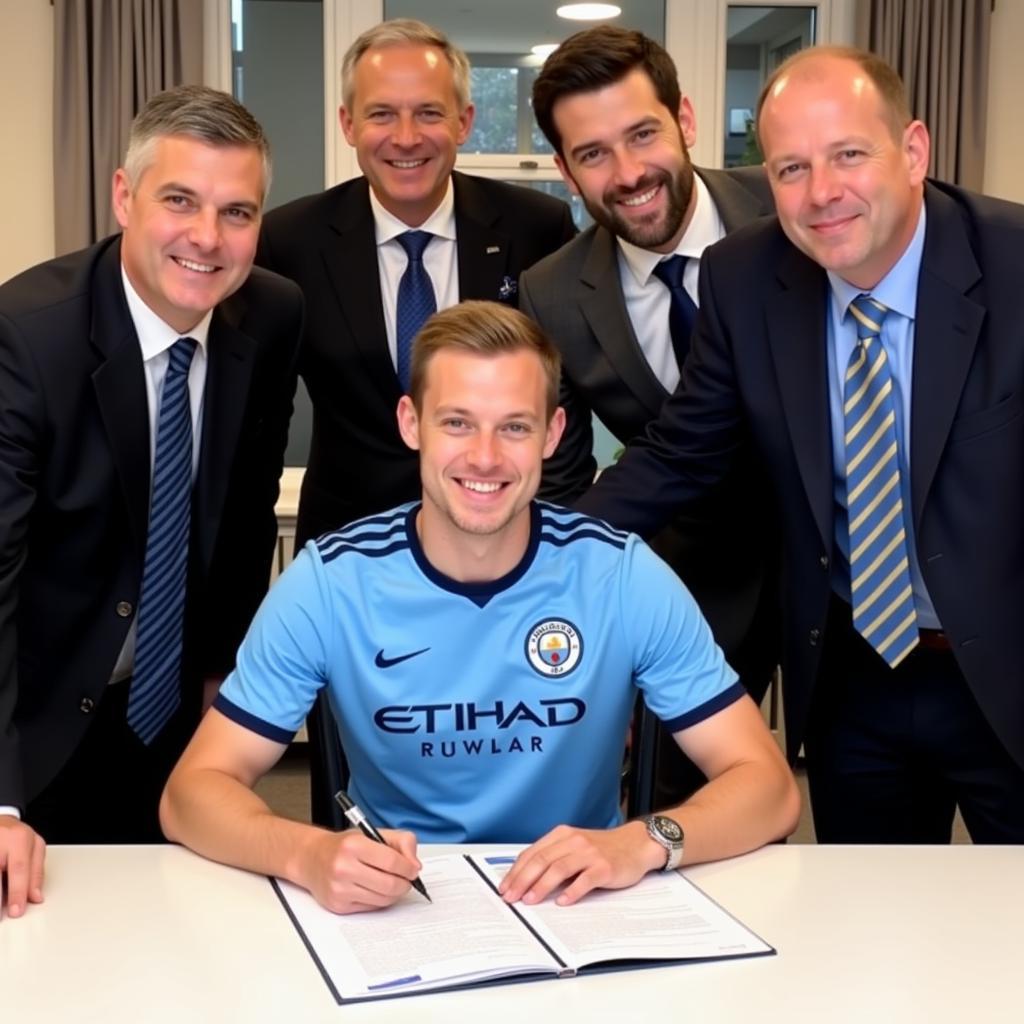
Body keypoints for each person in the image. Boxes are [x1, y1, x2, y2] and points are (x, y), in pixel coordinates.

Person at [160, 301, 798, 914]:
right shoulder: (330, 583)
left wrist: (641, 841)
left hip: (582, 903)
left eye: (515, 426)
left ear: (552, 434)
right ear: (411, 424)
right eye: (457, 422)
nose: (485, 457)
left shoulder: (621, 573)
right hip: (401, 908)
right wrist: (308, 851)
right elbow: (191, 794)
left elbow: (768, 789)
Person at [577, 45, 1024, 843]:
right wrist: (541, 552)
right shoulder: (747, 276)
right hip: (854, 673)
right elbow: (680, 452)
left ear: (914, 151)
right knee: (873, 929)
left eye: (849, 154)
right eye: (790, 169)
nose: (822, 194)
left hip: (1010, 666)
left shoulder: (1015, 263)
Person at [0, 85, 302, 918]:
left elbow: (243, 511)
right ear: (124, 196)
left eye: (237, 211)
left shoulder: (272, 314)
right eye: (180, 200)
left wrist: (221, 667)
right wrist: (1, 802)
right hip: (40, 716)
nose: (208, 238)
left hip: (175, 715)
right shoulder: (27, 336)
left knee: (190, 938)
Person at [521, 26, 779, 807]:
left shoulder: (786, 210)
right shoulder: (553, 292)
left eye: (643, 134)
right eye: (593, 153)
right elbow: (560, 485)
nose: (629, 173)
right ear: (566, 171)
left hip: (841, 563)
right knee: (675, 807)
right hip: (689, 577)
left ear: (686, 120)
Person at [256, 18, 576, 546]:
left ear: (464, 121)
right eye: (382, 114)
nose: (406, 138)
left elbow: (561, 407)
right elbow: (261, 427)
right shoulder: (289, 241)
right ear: (348, 124)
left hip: (506, 543)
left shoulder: (536, 228)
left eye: (428, 112)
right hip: (350, 548)